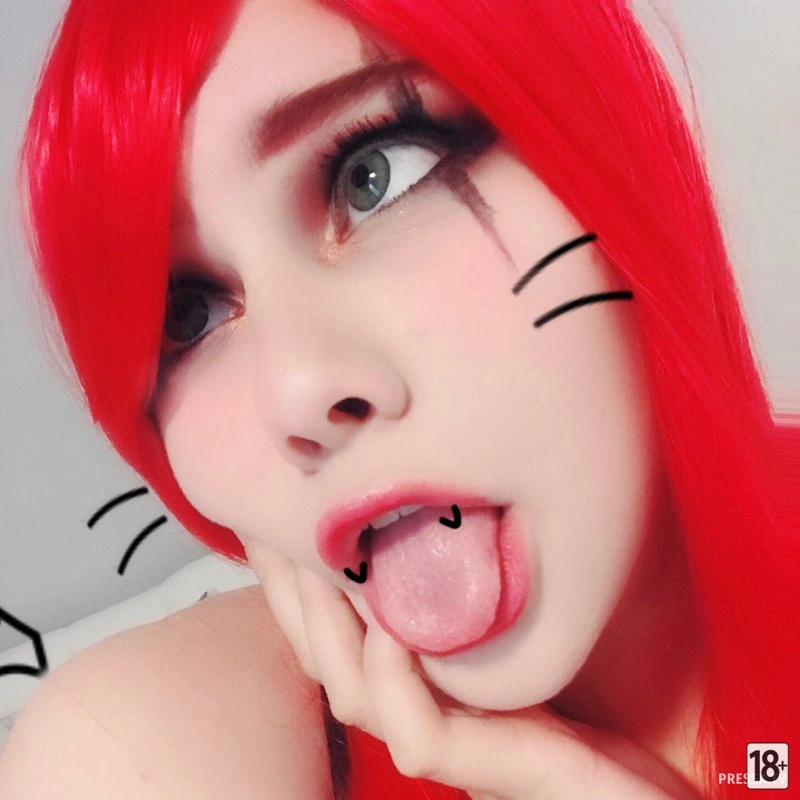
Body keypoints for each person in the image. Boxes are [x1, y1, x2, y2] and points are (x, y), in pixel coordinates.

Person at [3, 0, 797, 797]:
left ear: (605, 128)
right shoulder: (143, 753)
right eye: (189, 316)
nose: (296, 392)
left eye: (374, 175)